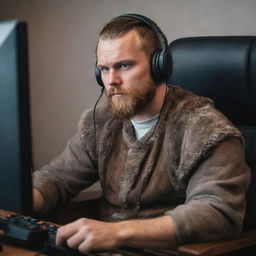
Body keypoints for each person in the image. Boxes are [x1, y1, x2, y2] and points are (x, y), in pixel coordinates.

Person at [32, 14, 250, 254]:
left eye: (124, 65)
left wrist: (117, 233)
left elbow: (216, 212)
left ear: (159, 67)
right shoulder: (101, 122)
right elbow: (56, 179)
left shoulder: (206, 128)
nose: (111, 81)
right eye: (103, 69)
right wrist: (22, 198)